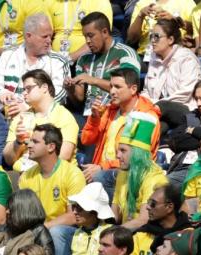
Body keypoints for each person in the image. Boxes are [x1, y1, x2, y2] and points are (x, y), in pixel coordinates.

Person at [17, 124, 86, 255]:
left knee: (57, 232)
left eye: (35, 141)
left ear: (51, 147)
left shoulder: (72, 173)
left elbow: (74, 216)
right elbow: (22, 215)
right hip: (35, 230)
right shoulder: (27, 176)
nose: (29, 145)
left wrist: (42, 229)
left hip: (66, 232)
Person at [81, 68, 161, 198]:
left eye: (118, 87)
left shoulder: (146, 117)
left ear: (133, 89)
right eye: (111, 86)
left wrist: (102, 167)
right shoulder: (109, 111)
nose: (112, 91)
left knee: (99, 177)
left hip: (130, 174)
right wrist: (94, 118)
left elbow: (137, 158)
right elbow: (86, 140)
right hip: (103, 170)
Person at [0, 13, 70, 109]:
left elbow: (59, 96)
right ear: (28, 36)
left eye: (50, 36)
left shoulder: (59, 62)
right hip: (6, 114)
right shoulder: (7, 55)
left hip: (42, 119)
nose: (49, 41)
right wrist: (2, 94)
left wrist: (27, 108)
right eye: (44, 36)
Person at [3, 70, 79, 173]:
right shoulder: (20, 118)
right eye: (23, 89)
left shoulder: (63, 116)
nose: (24, 93)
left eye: (28, 88)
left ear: (44, 88)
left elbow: (63, 156)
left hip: (55, 176)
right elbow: (8, 160)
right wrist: (18, 141)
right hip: (21, 174)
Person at [67, 12, 140, 118]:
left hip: (117, 114)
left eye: (91, 36)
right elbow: (79, 97)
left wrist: (94, 80)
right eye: (85, 36)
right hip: (90, 115)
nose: (87, 41)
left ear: (105, 32)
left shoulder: (125, 53)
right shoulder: (83, 59)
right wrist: (70, 88)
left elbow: (128, 89)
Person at [112, 112, 169, 232]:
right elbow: (115, 215)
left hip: (144, 235)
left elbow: (144, 219)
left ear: (137, 153)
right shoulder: (123, 173)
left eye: (123, 151)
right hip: (125, 234)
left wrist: (113, 233)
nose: (117, 155)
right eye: (118, 150)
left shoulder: (154, 179)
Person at [140, 18, 201, 110]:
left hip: (184, 110)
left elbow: (184, 95)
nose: (153, 41)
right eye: (151, 37)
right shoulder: (154, 59)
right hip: (156, 110)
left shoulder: (186, 59)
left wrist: (156, 105)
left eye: (156, 37)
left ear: (170, 39)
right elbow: (146, 91)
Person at [133, 184, 193, 255]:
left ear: (169, 207)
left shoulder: (186, 236)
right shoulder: (141, 234)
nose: (147, 207)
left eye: (153, 204)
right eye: (148, 202)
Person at [68, 183, 113, 255]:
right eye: (74, 207)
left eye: (80, 208)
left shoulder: (110, 234)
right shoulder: (76, 233)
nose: (74, 212)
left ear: (94, 211)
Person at [46, 0, 112, 62]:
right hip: (55, 60)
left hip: (87, 58)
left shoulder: (99, 1)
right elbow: (44, 34)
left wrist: (70, 58)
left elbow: (101, 38)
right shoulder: (50, 2)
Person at [126, 0, 194, 61]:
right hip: (146, 56)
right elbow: (131, 39)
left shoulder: (187, 2)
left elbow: (196, 31)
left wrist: (175, 20)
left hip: (176, 56)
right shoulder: (142, 3)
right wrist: (140, 16)